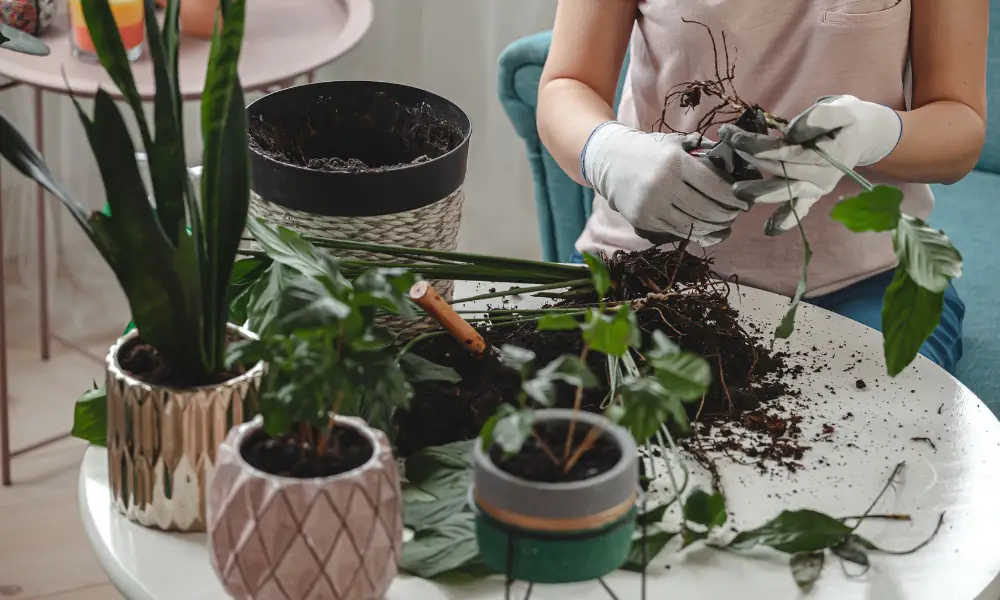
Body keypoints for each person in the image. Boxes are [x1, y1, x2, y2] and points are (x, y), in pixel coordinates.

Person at [536, 0, 989, 374]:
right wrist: (610, 153)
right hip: (648, 268)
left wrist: (874, 134)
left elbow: (959, 127)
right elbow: (567, 83)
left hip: (865, 282)